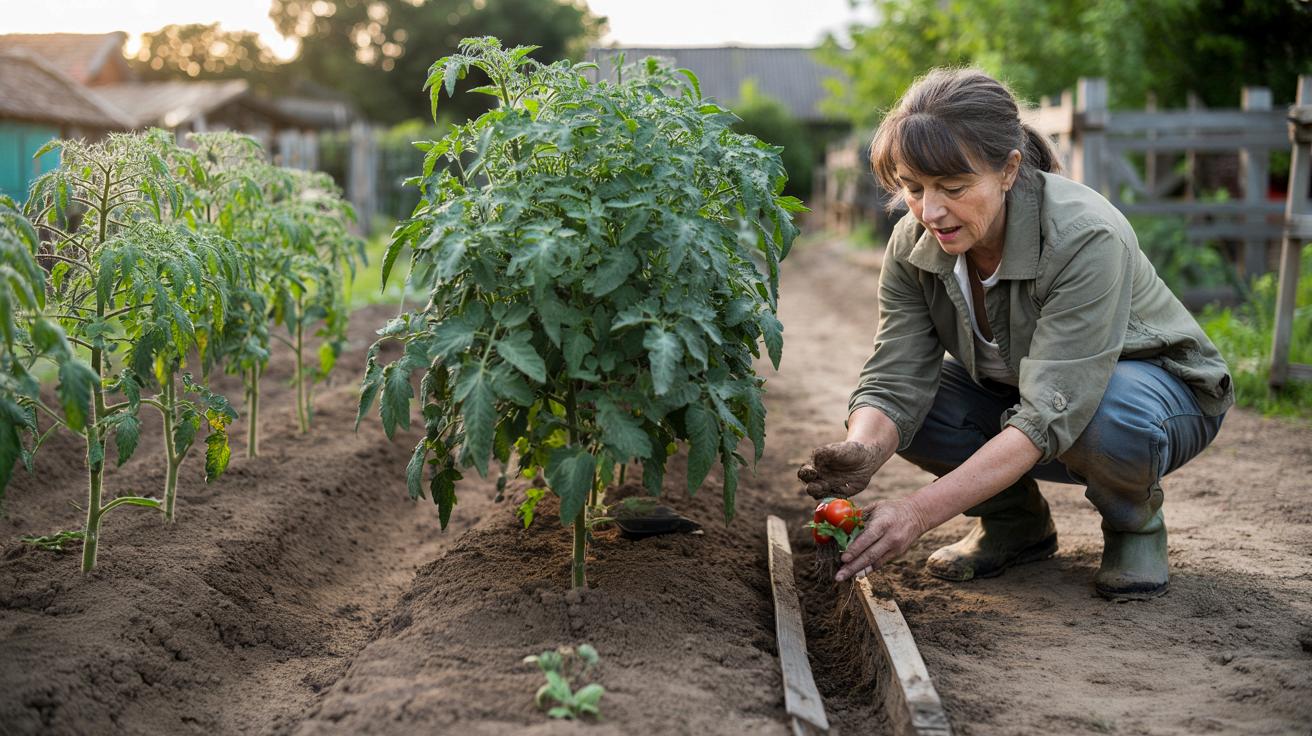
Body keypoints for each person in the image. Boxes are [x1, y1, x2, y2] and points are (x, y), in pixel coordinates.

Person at [797, 68, 1233, 600]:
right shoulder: (914, 243)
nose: (930, 211)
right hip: (1029, 401)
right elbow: (896, 376)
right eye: (913, 189)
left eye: (953, 188)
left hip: (1159, 403)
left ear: (1008, 170)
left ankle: (1133, 525)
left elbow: (1054, 407)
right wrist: (864, 447)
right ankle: (1014, 526)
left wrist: (917, 512)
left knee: (1106, 410)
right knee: (916, 409)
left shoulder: (1082, 235)